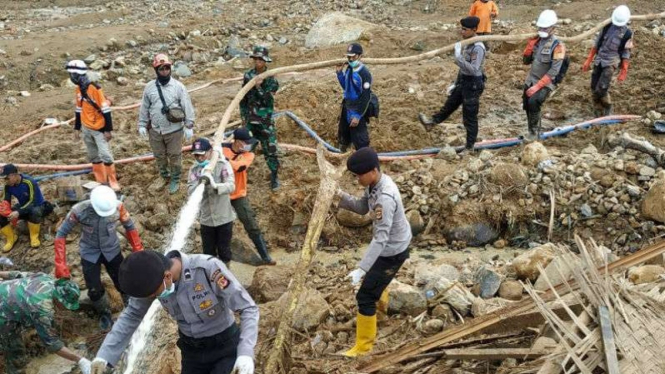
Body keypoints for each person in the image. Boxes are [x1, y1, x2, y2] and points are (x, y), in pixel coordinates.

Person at [90, 250, 258, 374]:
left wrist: (245, 353)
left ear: (167, 276)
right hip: (192, 352)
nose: (154, 297)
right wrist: (104, 356)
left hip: (225, 348)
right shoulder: (150, 278)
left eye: (154, 294)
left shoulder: (208, 269)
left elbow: (248, 308)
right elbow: (132, 315)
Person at [335, 147, 411, 357]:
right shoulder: (375, 185)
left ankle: (363, 347)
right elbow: (361, 207)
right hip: (390, 246)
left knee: (365, 296)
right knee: (374, 279)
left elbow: (381, 239)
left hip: (393, 251)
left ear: (372, 171)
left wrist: (360, 269)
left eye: (359, 175)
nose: (357, 179)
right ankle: (382, 310)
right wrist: (340, 195)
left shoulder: (384, 198)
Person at [54, 185, 144, 330]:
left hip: (112, 250)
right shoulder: (79, 211)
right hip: (90, 253)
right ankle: (104, 313)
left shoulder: (118, 207)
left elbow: (130, 227)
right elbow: (61, 234)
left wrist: (138, 249)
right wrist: (61, 265)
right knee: (94, 288)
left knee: (122, 280)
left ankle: (130, 306)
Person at [0, 270, 91, 374]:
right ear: (59, 300)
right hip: (3, 313)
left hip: (4, 293)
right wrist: (80, 360)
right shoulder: (42, 308)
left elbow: (15, 275)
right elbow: (52, 344)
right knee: (14, 349)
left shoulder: (46, 278)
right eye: (66, 306)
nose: (66, 309)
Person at [418, 16, 486, 154]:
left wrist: (458, 57)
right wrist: (455, 83)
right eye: (461, 29)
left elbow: (473, 69)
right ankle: (431, 123)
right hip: (463, 80)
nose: (462, 32)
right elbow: (463, 70)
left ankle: (470, 147)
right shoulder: (468, 42)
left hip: (473, 84)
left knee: (469, 116)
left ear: (474, 30)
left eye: (465, 29)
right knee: (449, 105)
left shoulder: (478, 47)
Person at [138, 53, 196, 194]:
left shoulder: (178, 87)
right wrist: (142, 124)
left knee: (175, 155)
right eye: (161, 68)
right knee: (159, 155)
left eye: (167, 68)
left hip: (174, 130)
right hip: (155, 130)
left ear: (170, 68)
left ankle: (175, 178)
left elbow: (186, 105)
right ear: (156, 70)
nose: (164, 71)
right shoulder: (149, 88)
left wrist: (189, 125)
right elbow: (144, 107)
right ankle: (164, 175)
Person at [223, 128, 276, 266]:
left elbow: (240, 167)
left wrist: (223, 159)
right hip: (221, 195)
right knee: (224, 228)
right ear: (238, 142)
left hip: (238, 194)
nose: (249, 145)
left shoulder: (248, 155)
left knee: (251, 225)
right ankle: (223, 259)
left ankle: (265, 256)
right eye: (246, 142)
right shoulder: (221, 149)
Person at [65, 60, 120, 191]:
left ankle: (113, 181)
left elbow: (105, 110)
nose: (71, 77)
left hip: (99, 128)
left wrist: (107, 130)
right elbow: (79, 109)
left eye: (72, 74)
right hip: (86, 128)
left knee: (105, 155)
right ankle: (101, 181)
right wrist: (77, 128)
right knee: (94, 156)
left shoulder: (94, 88)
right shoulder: (79, 89)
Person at [188, 138, 236, 267]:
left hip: (223, 218)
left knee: (224, 250)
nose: (199, 158)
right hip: (207, 220)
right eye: (196, 155)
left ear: (210, 152)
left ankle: (226, 274)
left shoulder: (222, 165)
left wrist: (215, 186)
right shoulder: (194, 170)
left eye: (202, 154)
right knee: (208, 253)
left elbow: (231, 186)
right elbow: (190, 190)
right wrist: (200, 182)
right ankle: (211, 275)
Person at [240, 46, 281, 191]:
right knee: (244, 149)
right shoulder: (248, 75)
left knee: (270, 150)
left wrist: (258, 87)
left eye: (260, 59)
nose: (257, 62)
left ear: (265, 61)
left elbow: (268, 100)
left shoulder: (270, 78)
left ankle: (274, 176)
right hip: (250, 120)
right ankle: (240, 175)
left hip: (265, 121)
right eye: (255, 59)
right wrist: (243, 117)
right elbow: (243, 98)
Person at [522, 9, 566, 141]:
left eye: (545, 28)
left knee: (534, 102)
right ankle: (531, 129)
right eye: (541, 27)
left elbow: (554, 71)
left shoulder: (558, 46)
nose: (542, 29)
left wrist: (537, 87)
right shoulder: (536, 41)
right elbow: (526, 62)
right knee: (526, 103)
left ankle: (534, 133)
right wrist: (528, 49)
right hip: (531, 79)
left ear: (553, 28)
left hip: (547, 81)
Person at [582, 5, 633, 117]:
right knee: (594, 86)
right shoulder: (606, 26)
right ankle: (597, 107)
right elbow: (597, 44)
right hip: (599, 59)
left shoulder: (627, 33)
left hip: (611, 61)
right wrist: (588, 60)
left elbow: (626, 53)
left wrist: (623, 72)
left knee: (602, 87)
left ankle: (608, 106)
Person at [0, 164, 52, 251]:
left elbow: (33, 201)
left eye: (7, 178)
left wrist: (18, 212)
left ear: (13, 175)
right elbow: (6, 201)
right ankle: (11, 238)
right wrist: (5, 210)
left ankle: (34, 236)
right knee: (1, 216)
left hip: (38, 205)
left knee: (34, 211)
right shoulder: (8, 186)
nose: (5, 181)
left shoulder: (29, 182)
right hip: (23, 206)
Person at [336, 43, 373, 152]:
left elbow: (366, 96)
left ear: (360, 56)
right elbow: (346, 87)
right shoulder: (349, 69)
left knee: (360, 139)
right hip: (347, 106)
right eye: (349, 57)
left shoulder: (364, 74)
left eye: (353, 56)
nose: (351, 59)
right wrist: (339, 73)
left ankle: (364, 158)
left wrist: (357, 115)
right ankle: (342, 153)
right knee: (344, 133)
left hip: (357, 108)